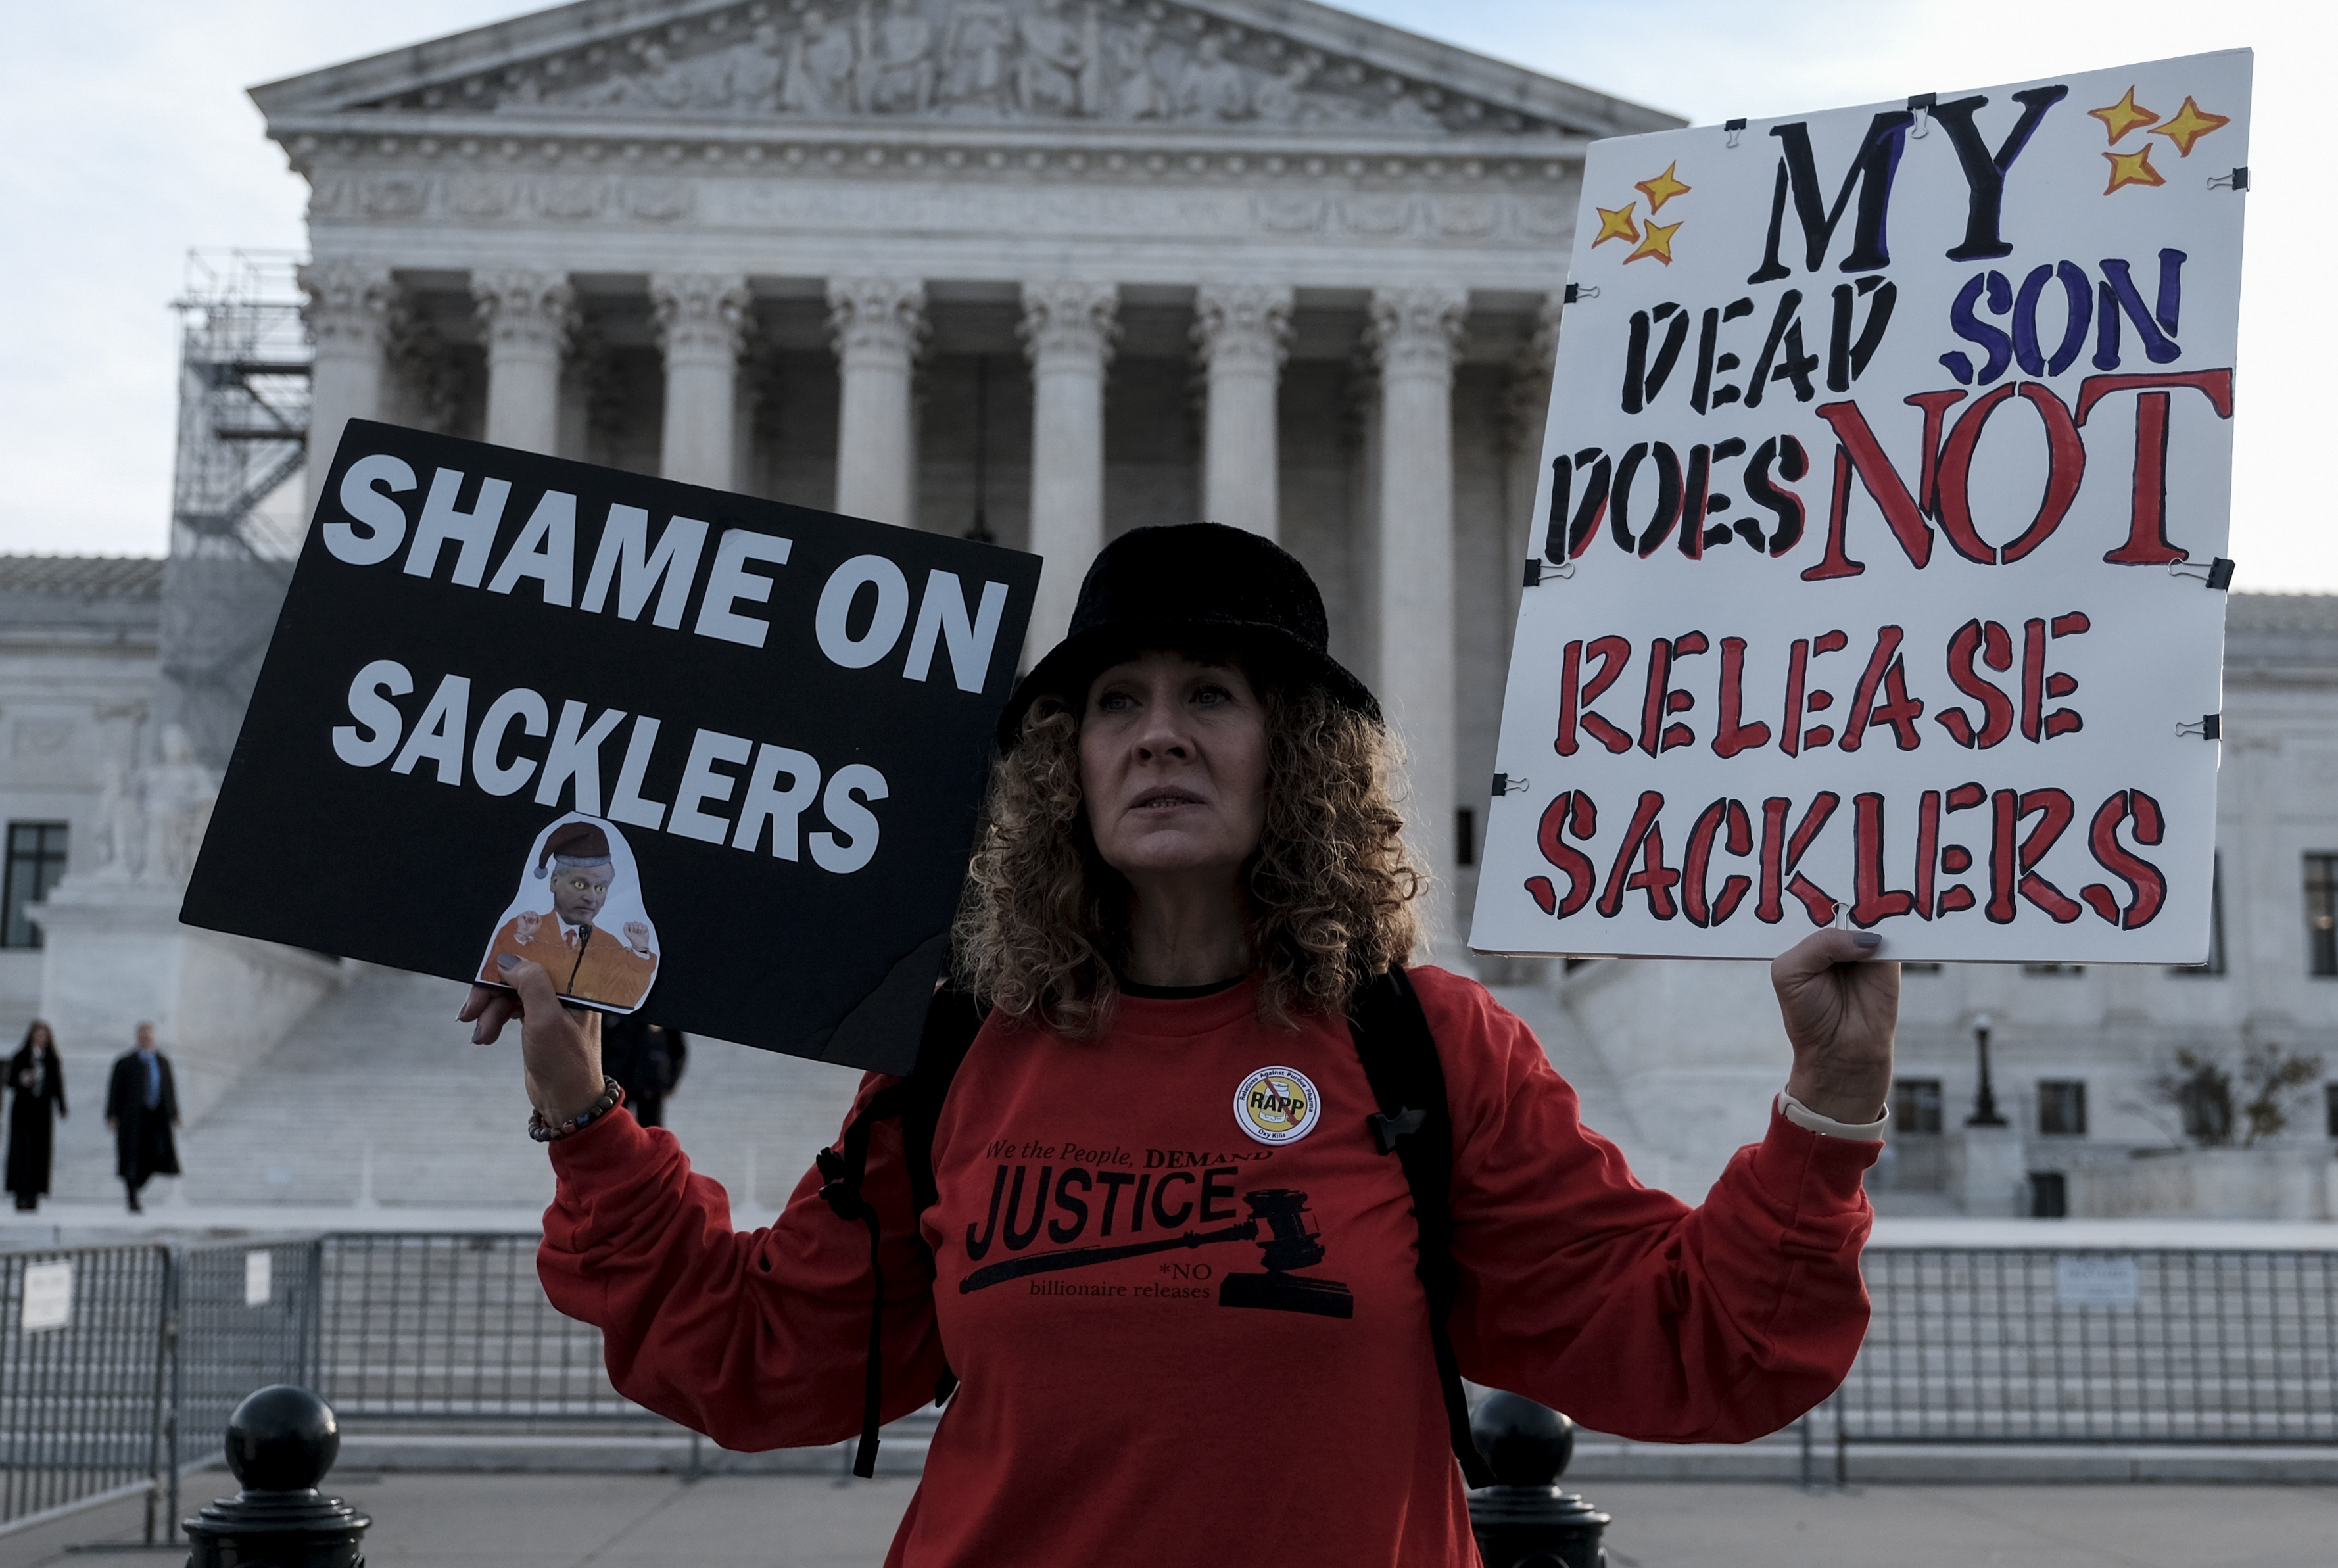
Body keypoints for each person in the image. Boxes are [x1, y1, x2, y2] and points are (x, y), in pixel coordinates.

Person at [462, 523, 1898, 1567]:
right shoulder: (961, 1051)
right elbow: (765, 1354)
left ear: (1296, 755)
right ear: (1065, 767)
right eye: (1115, 703)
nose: (1158, 736)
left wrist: (1826, 1108)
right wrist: (582, 1108)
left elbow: (1694, 1347)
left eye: (1209, 693)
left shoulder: (1426, 1048)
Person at [479, 821, 659, 1012]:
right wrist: (520, 940)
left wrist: (640, 952)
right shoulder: (519, 930)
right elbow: (491, 979)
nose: (591, 898)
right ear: (555, 882)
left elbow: (625, 999)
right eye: (580, 885)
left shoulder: (610, 945)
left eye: (601, 888)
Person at [106, 1022, 180, 1212]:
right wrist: (112, 1115)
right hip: (132, 1119)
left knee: (157, 1153)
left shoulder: (162, 1062)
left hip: (155, 1118)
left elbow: (169, 1090)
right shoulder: (125, 1063)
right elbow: (115, 1091)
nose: (146, 1038)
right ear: (137, 1037)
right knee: (132, 1156)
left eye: (149, 1035)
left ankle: (136, 1183)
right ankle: (132, 1195)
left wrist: (174, 1113)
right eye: (142, 1035)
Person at [5, 1020, 66, 1211]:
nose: (41, 1040)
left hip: (42, 1113)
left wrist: (62, 1106)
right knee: (21, 1152)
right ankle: (20, 1193)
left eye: (44, 1036)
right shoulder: (21, 1057)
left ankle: (34, 1194)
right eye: (38, 1035)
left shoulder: (51, 1060)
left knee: (39, 1152)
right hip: (23, 1112)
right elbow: (9, 1081)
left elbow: (58, 1084)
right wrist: (21, 1079)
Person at [600, 1016, 688, 1129]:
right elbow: (598, 1046)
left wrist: (669, 1083)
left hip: (651, 1086)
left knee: (653, 1132)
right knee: (616, 1130)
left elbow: (678, 1050)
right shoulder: (614, 1010)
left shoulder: (660, 1011)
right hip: (617, 1085)